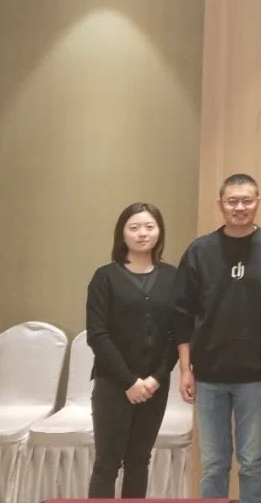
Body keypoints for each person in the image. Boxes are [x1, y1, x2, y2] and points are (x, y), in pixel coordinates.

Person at [172, 173, 261, 503]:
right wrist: (185, 369)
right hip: (208, 375)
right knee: (214, 464)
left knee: (252, 461)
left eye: (247, 200)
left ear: (257, 202)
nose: (240, 207)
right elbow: (182, 315)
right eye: (232, 201)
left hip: (255, 375)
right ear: (221, 204)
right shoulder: (199, 251)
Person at [86, 202, 178, 498]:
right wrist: (129, 382)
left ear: (159, 232)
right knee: (107, 464)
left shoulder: (173, 277)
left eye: (149, 227)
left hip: (154, 386)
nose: (142, 234)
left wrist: (157, 378)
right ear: (122, 233)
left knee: (139, 461)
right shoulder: (105, 277)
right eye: (134, 227)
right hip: (114, 384)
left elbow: (177, 335)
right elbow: (97, 335)